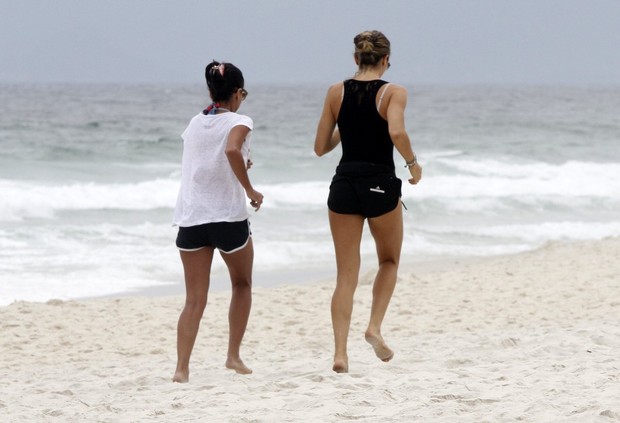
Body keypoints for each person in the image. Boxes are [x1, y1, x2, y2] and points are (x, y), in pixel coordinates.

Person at [314, 30, 422, 373]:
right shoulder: (395, 92)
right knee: (388, 260)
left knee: (346, 274)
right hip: (379, 184)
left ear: (355, 59)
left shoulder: (336, 92)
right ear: (386, 60)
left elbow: (320, 147)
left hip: (344, 184)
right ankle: (374, 327)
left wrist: (349, 124)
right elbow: (396, 132)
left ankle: (340, 354)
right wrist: (413, 164)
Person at [172, 60, 263, 383]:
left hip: (192, 217)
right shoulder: (241, 120)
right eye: (244, 94)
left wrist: (240, 163)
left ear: (211, 91)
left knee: (194, 298)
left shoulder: (194, 123)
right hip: (226, 217)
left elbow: (205, 162)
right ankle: (233, 356)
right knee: (242, 284)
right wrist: (250, 189)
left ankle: (182, 369)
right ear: (237, 93)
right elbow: (231, 150)